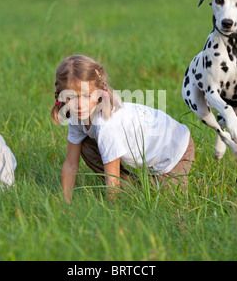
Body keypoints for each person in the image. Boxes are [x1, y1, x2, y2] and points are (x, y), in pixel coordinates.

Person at [51, 55, 194, 203]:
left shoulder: (107, 125)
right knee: (86, 146)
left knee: (167, 201)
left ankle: (147, 186)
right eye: (71, 97)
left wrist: (112, 207)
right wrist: (65, 202)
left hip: (174, 150)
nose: (79, 104)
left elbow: (112, 179)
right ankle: (135, 186)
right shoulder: (77, 118)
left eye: (87, 95)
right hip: (153, 153)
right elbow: (70, 164)